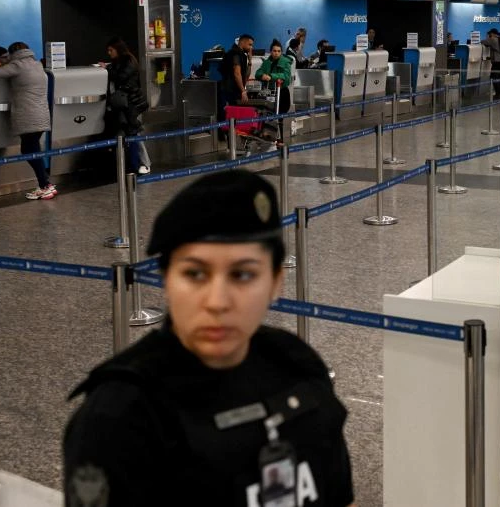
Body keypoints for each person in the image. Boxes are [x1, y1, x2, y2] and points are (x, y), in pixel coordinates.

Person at [63, 170, 356, 506]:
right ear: (166, 280)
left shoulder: (298, 366)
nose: (217, 301)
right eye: (195, 273)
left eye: (243, 274)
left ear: (276, 282)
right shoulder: (120, 418)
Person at [0, 42, 55, 200]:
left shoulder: (17, 66)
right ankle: (46, 184)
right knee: (33, 150)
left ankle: (45, 186)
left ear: (12, 53)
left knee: (29, 151)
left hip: (28, 115)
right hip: (41, 114)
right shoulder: (37, 64)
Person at [103, 38, 150, 175]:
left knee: (133, 133)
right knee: (132, 133)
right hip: (126, 104)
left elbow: (120, 77)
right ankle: (137, 164)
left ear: (118, 49)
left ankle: (142, 164)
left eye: (111, 50)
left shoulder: (129, 61)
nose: (109, 53)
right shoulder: (120, 62)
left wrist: (107, 69)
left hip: (132, 103)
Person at [256, 40, 293, 114]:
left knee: (280, 115)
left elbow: (286, 76)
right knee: (266, 113)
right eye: (274, 51)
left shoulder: (286, 62)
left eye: (279, 51)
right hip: (268, 92)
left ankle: (279, 125)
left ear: (281, 52)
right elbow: (258, 73)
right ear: (271, 51)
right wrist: (261, 75)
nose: (276, 53)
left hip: (282, 92)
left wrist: (271, 76)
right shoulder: (266, 62)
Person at [220, 35, 254, 108]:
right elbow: (237, 74)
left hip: (235, 92)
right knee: (230, 116)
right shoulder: (235, 54)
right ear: (242, 42)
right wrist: (243, 91)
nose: (251, 47)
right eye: (250, 44)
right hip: (229, 92)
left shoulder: (243, 56)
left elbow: (246, 76)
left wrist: (250, 61)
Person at [481, 28, 500, 99]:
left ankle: (498, 94)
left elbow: (483, 41)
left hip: (497, 62)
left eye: (489, 34)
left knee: (494, 78)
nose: (489, 35)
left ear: (492, 34)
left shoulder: (492, 39)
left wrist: (488, 37)